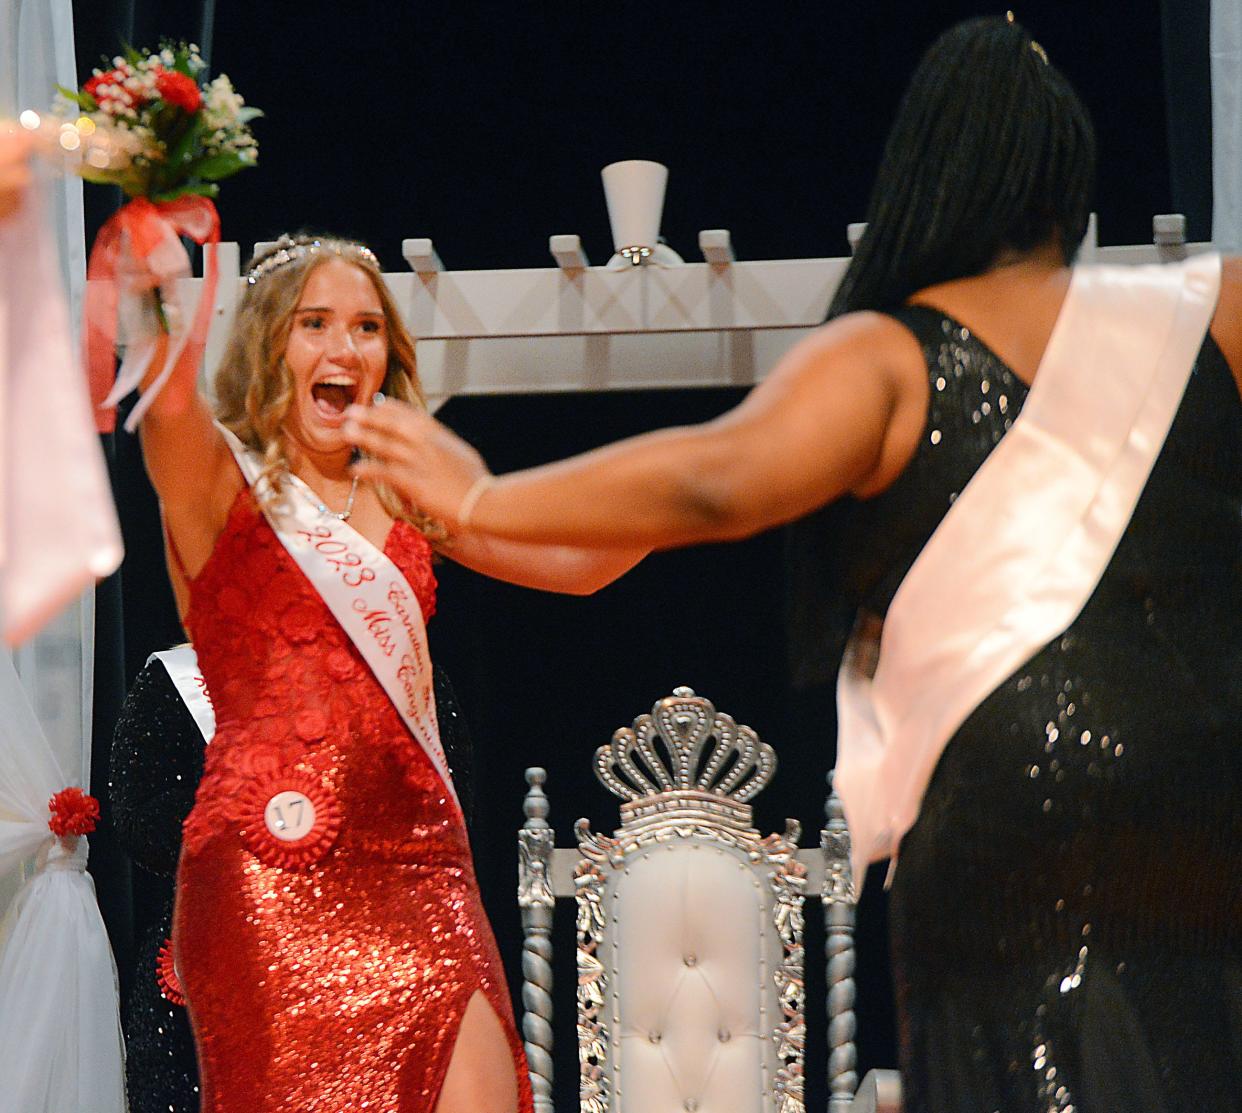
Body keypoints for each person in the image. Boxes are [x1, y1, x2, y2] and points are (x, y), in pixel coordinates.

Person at [343, 17, 1242, 1113]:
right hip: (1208, 795)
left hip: (1010, 816)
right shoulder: (1214, 307)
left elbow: (715, 478)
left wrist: (482, 495)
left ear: (926, 174)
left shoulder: (887, 353)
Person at [136, 231, 646, 1113]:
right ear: (267, 343)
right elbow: (166, 405)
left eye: (368, 328)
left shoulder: (414, 493)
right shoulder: (224, 485)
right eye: (316, 324)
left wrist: (711, 498)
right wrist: (150, 254)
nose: (345, 348)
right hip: (270, 876)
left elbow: (581, 561)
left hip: (423, 876)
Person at [108, 644, 479, 1113]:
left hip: (374, 966)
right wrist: (254, 814)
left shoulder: (397, 667)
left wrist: (343, 819)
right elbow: (138, 819)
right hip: (216, 964)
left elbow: (448, 807)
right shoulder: (180, 677)